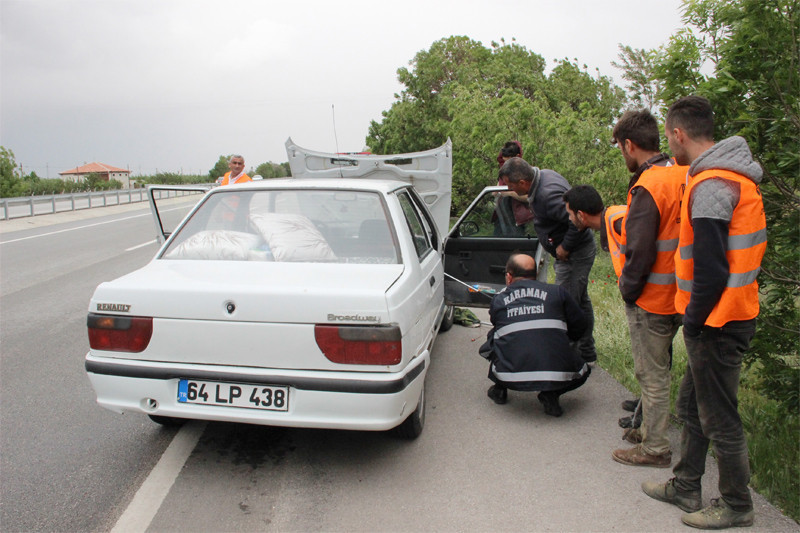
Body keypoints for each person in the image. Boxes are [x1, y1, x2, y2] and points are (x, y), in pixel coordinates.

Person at [642, 95, 766, 529]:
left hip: (718, 320)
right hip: (723, 314)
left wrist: (692, 321)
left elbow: (711, 268)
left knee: (719, 418)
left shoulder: (713, 184)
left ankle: (736, 505)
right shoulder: (729, 179)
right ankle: (686, 484)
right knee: (692, 406)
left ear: (678, 134)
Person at [601, 109, 688, 469]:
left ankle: (655, 449)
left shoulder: (648, 186)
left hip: (653, 299)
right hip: (685, 293)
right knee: (661, 370)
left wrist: (628, 290)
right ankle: (650, 431)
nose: (622, 155)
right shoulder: (685, 173)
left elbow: (639, 250)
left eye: (621, 148)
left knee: (651, 375)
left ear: (629, 144)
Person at [500, 157, 598, 363]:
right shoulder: (543, 177)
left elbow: (578, 221)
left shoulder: (547, 195)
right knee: (580, 300)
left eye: (510, 185)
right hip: (573, 253)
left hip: (575, 254)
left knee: (565, 304)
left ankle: (566, 358)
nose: (510, 189)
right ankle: (587, 351)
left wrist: (564, 247)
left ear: (523, 183)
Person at [479, 252, 590, 417]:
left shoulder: (499, 300)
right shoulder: (557, 292)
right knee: (584, 370)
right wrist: (562, 341)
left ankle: (499, 389)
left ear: (509, 277)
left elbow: (498, 325)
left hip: (507, 375)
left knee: (495, 335)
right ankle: (551, 394)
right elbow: (580, 325)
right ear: (535, 274)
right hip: (558, 375)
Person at [493, 141, 532, 235]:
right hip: (502, 215)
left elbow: (529, 197)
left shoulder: (526, 173)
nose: (506, 165)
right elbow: (495, 191)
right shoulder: (504, 172)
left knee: (516, 246)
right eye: (505, 161)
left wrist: (509, 193)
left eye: (509, 161)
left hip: (516, 219)